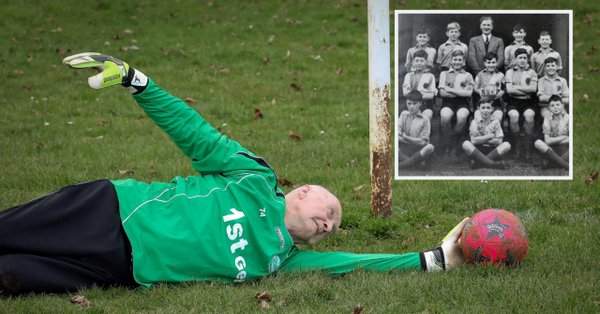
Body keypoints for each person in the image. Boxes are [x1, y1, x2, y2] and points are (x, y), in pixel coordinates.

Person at [0, 52, 468, 295]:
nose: (328, 225)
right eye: (328, 211)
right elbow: (195, 134)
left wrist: (433, 259)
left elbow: (356, 265)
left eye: (331, 228)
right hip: (112, 211)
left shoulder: (282, 261)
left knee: (13, 274)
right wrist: (137, 81)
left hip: (121, 269)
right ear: (301, 192)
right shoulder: (253, 178)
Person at [438, 50, 474, 156]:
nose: (457, 62)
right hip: (448, 102)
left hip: (463, 103)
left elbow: (468, 93)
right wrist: (460, 92)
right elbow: (442, 93)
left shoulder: (468, 75)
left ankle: (455, 142)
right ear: (451, 61)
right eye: (455, 59)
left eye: (460, 60)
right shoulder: (444, 74)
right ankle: (447, 143)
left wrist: (450, 90)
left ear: (463, 62)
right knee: (445, 116)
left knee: (462, 116)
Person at [505, 48, 538, 161]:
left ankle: (527, 146)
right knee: (514, 116)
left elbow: (533, 89)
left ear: (527, 59)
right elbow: (509, 90)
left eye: (524, 58)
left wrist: (516, 88)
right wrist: (525, 90)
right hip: (513, 101)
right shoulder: (510, 72)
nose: (522, 60)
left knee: (529, 116)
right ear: (515, 59)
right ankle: (517, 145)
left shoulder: (532, 72)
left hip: (529, 102)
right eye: (520, 58)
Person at [462, 99, 510, 169]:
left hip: (492, 149)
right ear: (479, 109)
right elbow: (474, 141)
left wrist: (481, 139)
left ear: (492, 109)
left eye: (488, 108)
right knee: (466, 144)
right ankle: (493, 164)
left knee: (507, 145)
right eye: (483, 108)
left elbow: (499, 141)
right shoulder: (474, 122)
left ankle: (478, 163)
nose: (485, 110)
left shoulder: (495, 122)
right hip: (478, 149)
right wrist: (490, 136)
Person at [397, 90, 435, 169]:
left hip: (418, 150)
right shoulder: (403, 114)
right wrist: (413, 140)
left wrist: (406, 137)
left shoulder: (425, 119)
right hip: (405, 149)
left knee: (430, 147)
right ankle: (417, 165)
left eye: (414, 104)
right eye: (409, 103)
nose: (411, 106)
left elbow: (423, 142)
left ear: (420, 103)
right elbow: (397, 135)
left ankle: (401, 166)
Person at [534, 95, 569, 169]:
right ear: (549, 108)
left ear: (562, 106)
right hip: (552, 149)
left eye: (558, 105)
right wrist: (564, 137)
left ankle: (552, 163)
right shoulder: (547, 119)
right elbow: (547, 141)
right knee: (538, 143)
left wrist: (555, 140)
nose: (555, 107)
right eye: (552, 105)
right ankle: (565, 165)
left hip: (565, 149)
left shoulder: (568, 118)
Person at [402, 50, 437, 121]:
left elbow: (431, 95)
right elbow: (405, 93)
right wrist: (423, 93)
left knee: (427, 115)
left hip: (426, 105)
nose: (419, 63)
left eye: (422, 61)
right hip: (411, 105)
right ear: (412, 62)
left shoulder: (430, 76)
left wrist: (413, 92)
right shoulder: (408, 76)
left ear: (426, 62)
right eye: (417, 61)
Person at [473, 52, 505, 122]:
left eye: (493, 62)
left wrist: (500, 93)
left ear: (496, 63)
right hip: (483, 103)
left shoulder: (500, 75)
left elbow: (503, 89)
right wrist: (479, 91)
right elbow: (475, 88)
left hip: (496, 103)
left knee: (497, 117)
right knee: (478, 118)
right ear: (484, 63)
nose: (491, 65)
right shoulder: (480, 74)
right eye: (489, 62)